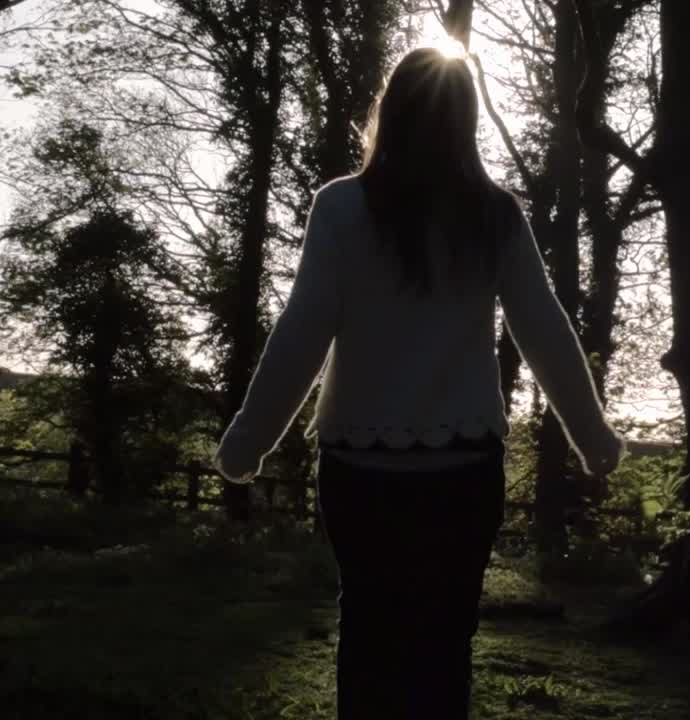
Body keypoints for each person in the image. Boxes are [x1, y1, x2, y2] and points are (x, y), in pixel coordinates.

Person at [212, 47, 626, 719]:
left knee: (370, 642)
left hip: (359, 470)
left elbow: (302, 333)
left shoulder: (342, 209)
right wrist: (592, 434)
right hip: (463, 473)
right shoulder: (494, 214)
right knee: (442, 652)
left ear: (390, 113)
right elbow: (544, 330)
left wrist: (247, 441)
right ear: (465, 123)